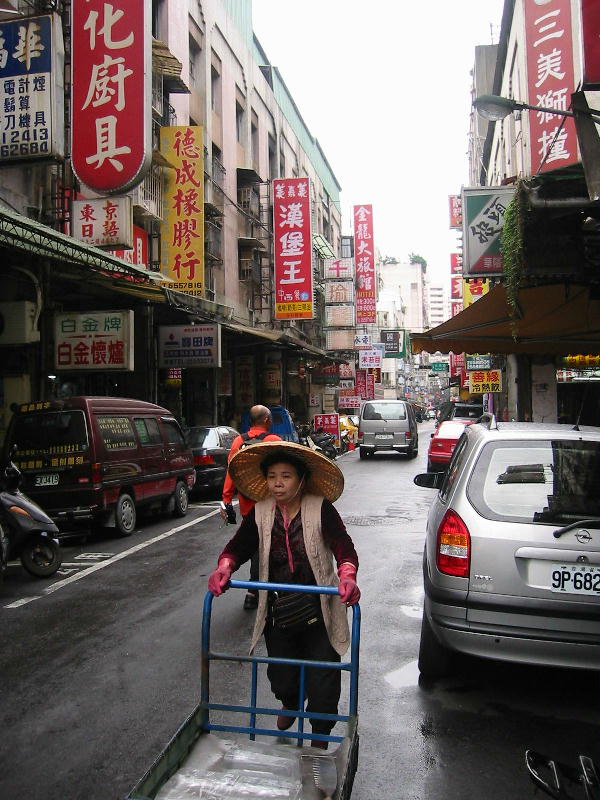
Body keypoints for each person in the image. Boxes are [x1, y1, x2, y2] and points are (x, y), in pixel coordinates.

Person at [208, 441, 360, 750]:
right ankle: (290, 703)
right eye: (273, 476)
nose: (278, 483)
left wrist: (347, 575)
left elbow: (344, 546)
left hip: (320, 608)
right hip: (279, 609)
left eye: (286, 476)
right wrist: (224, 567)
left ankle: (318, 739)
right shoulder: (261, 512)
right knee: (283, 678)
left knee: (324, 681)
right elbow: (238, 547)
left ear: (301, 479)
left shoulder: (320, 508)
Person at [220, 405, 281, 610]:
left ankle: (256, 590)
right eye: (270, 418)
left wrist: (226, 499)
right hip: (271, 504)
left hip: (247, 506)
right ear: (265, 420)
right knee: (267, 548)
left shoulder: (239, 441)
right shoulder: (273, 441)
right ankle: (256, 591)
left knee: (255, 544)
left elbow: (232, 472)